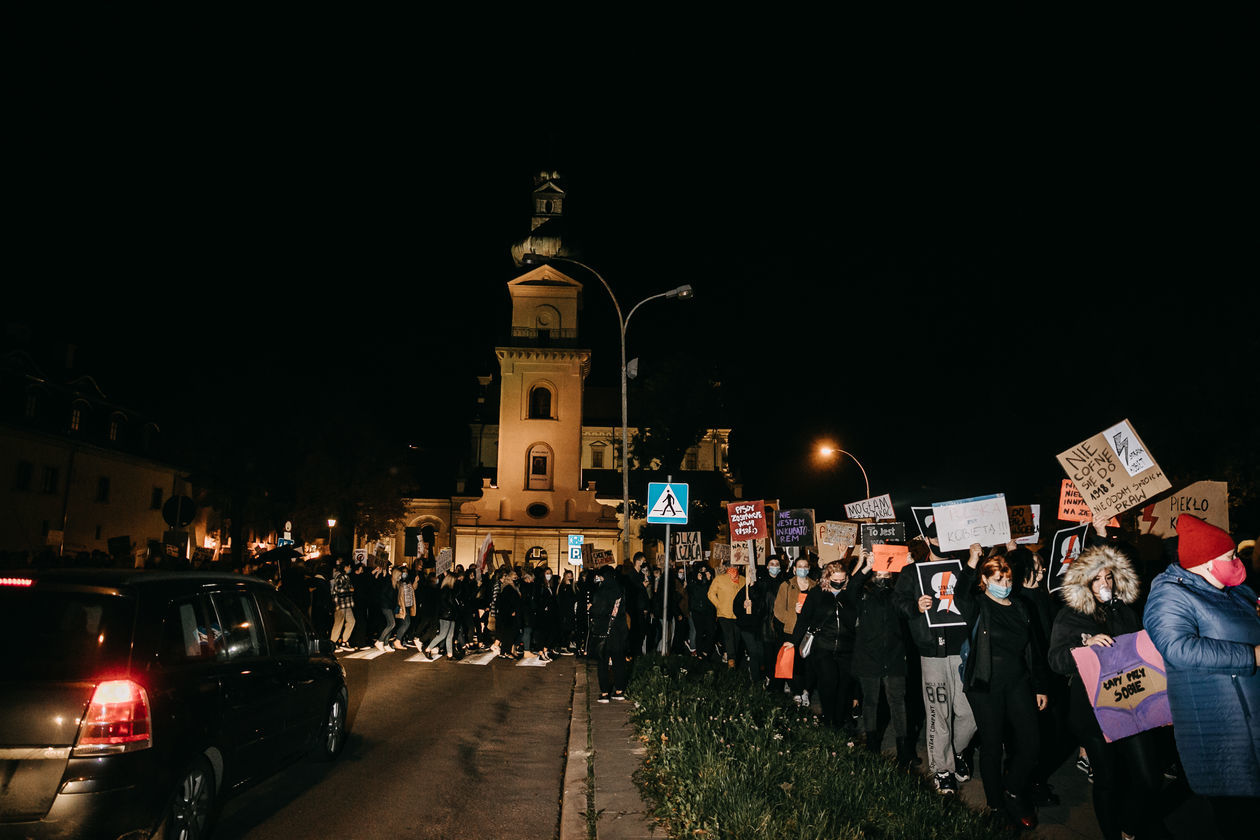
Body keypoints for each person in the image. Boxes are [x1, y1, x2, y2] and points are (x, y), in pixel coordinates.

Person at [1144, 514, 1260, 835]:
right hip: (1221, 724)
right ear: (1208, 562)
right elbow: (1177, 647)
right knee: (1238, 816)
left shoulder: (1234, 591)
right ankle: (1142, 823)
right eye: (1230, 556)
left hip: (1250, 715)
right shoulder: (1171, 594)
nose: (1236, 560)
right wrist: (1252, 655)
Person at [1048, 542, 1162, 840]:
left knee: (1148, 777)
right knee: (1108, 779)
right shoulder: (1070, 616)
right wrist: (1083, 648)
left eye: (1109, 577)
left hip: (1131, 704)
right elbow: (1056, 660)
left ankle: (1129, 825)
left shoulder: (1123, 610)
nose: (1104, 584)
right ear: (1085, 581)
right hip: (1092, 711)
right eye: (1097, 578)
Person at [957, 545, 1049, 830]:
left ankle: (1012, 788)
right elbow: (960, 595)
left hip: (1018, 681)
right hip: (985, 684)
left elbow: (1031, 650)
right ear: (985, 581)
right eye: (998, 580)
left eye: (1008, 580)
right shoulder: (978, 604)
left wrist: (1039, 686)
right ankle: (996, 804)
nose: (1005, 586)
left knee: (1032, 742)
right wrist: (971, 563)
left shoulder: (1021, 606)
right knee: (992, 744)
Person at [893, 538, 978, 795]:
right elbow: (897, 603)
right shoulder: (912, 572)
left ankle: (956, 752)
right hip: (931, 652)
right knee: (938, 713)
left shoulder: (964, 567)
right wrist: (915, 607)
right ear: (929, 540)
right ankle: (942, 769)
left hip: (962, 651)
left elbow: (977, 599)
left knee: (970, 713)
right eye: (937, 537)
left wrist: (973, 566)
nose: (942, 542)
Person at [850, 549, 916, 768]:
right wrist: (866, 566)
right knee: (871, 702)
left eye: (888, 571)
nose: (884, 574)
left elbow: (914, 599)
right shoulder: (863, 594)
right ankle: (871, 745)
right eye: (879, 570)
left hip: (895, 657)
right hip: (868, 656)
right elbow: (850, 590)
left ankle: (905, 751)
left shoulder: (898, 593)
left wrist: (910, 567)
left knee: (898, 703)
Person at [792, 559, 858, 736]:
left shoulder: (849, 594)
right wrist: (793, 641)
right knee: (828, 683)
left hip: (846, 647)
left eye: (842, 579)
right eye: (835, 579)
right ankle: (829, 720)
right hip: (823, 647)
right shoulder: (817, 594)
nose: (838, 583)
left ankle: (840, 719)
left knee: (844, 686)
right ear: (827, 578)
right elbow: (805, 619)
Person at [774, 554, 817, 706]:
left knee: (809, 663)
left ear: (809, 569)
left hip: (810, 632)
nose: (803, 569)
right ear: (794, 569)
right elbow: (778, 610)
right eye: (800, 567)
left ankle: (806, 691)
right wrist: (793, 615)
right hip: (791, 630)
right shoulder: (786, 585)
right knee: (794, 663)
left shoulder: (815, 586)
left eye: (806, 567)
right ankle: (797, 691)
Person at [589, 564, 630, 702]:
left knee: (603, 663)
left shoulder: (601, 591)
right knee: (619, 661)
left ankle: (605, 693)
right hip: (618, 631)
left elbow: (598, 611)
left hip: (603, 632)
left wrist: (591, 608)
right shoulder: (620, 590)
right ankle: (619, 691)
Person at [708, 560, 745, 668]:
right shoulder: (719, 579)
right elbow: (711, 594)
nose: (735, 567)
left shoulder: (743, 580)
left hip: (738, 615)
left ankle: (733, 658)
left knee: (737, 638)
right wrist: (720, 605)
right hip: (724, 614)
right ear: (727, 566)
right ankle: (731, 660)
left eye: (737, 565)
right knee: (729, 637)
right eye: (733, 565)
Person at [330, 557, 356, 651]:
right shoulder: (341, 576)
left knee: (350, 621)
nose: (350, 568)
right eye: (349, 567)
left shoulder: (343, 576)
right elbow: (338, 590)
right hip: (341, 604)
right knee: (339, 623)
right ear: (346, 567)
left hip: (345, 604)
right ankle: (333, 644)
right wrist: (350, 590)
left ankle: (342, 642)